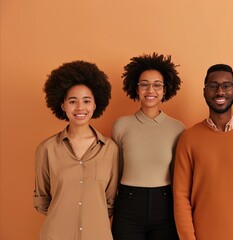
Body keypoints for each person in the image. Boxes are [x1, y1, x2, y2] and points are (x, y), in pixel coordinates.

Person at [173, 64, 233, 240]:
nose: (220, 91)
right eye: (213, 86)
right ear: (205, 91)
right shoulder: (188, 138)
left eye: (226, 85)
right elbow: (181, 197)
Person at [34, 60, 119, 240]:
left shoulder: (110, 149)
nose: (80, 107)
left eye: (86, 101)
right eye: (73, 101)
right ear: (62, 105)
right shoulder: (46, 149)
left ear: (95, 105)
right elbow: (42, 199)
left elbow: (111, 201)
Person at [111, 52, 185, 240]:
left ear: (165, 89)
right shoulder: (121, 125)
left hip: (164, 205)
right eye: (144, 84)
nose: (150, 90)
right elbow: (115, 171)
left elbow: (179, 175)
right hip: (128, 206)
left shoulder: (178, 128)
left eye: (157, 85)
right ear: (136, 88)